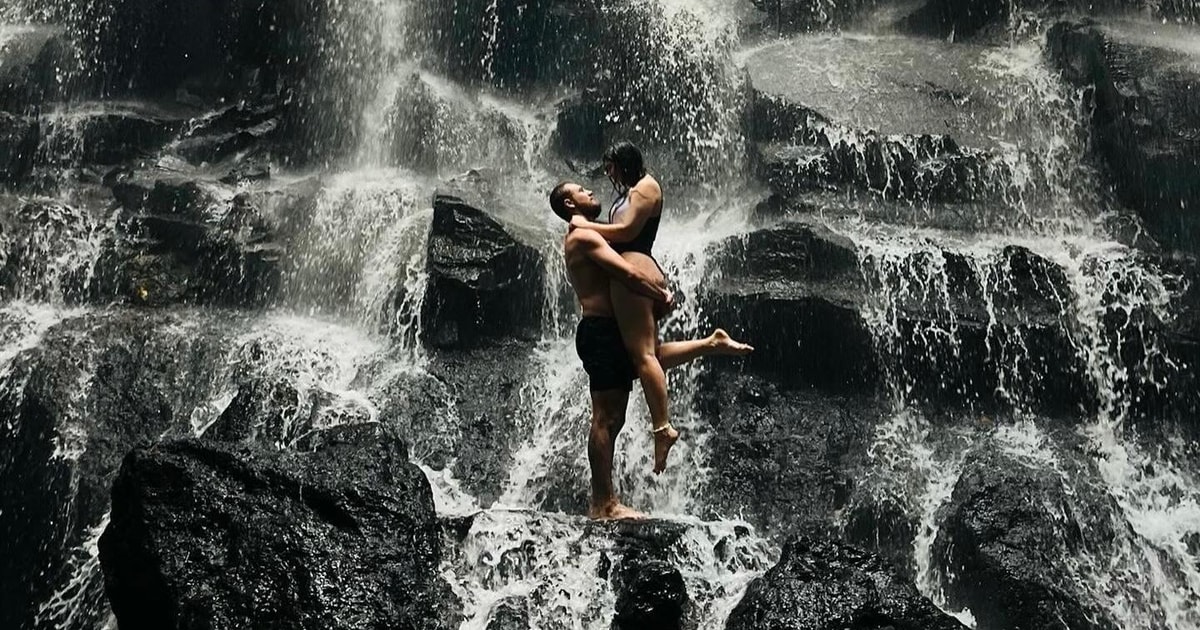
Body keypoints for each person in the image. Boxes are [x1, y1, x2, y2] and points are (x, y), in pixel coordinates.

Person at [549, 180, 752, 520]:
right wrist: (660, 296)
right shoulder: (582, 236)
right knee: (605, 418)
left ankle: (710, 343)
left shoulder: (592, 232)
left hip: (613, 329)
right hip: (600, 331)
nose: (590, 191)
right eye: (581, 190)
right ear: (569, 205)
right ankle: (603, 504)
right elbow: (626, 273)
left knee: (649, 360)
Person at [565, 142, 680, 473]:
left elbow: (628, 232)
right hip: (631, 278)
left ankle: (662, 427)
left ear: (624, 161)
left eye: (610, 165)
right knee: (645, 354)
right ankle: (711, 345)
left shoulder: (646, 187)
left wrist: (586, 225)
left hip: (637, 270)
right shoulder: (631, 191)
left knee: (643, 356)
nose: (607, 174)